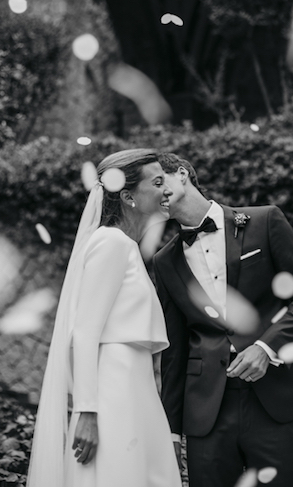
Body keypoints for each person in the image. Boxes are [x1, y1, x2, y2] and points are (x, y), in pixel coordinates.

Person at [153, 153, 293, 487]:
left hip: (272, 398)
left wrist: (266, 346)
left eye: (160, 180)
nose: (157, 192)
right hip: (206, 408)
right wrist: (172, 433)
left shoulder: (264, 220)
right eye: (150, 188)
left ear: (183, 173)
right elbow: (174, 351)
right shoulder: (164, 261)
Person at [27, 149, 181, 487]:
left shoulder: (126, 246)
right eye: (157, 182)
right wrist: (87, 412)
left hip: (134, 390)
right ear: (128, 197)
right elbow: (84, 332)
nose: (167, 189)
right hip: (114, 396)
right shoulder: (110, 243)